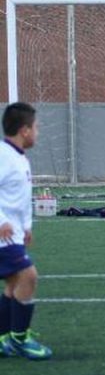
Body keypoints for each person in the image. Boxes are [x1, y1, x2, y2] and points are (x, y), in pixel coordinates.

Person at [0, 103, 52, 360]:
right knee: (28, 277)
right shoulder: (2, 155)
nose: (38, 132)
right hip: (2, 236)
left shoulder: (19, 157)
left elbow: (19, 197)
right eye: (36, 127)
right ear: (24, 130)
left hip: (14, 234)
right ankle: (20, 339)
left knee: (12, 285)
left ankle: (3, 337)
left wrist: (27, 226)